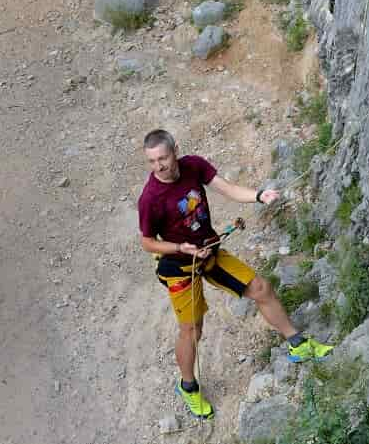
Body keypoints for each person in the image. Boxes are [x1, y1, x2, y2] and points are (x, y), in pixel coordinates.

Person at [138, 128, 333, 420]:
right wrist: (181, 247)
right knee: (192, 330)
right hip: (179, 267)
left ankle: (298, 344)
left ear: (175, 150)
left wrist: (258, 195)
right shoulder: (150, 198)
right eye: (152, 161)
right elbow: (147, 241)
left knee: (261, 289)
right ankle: (188, 386)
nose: (159, 167)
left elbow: (227, 188)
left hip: (210, 250)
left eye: (162, 159)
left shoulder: (193, 165)